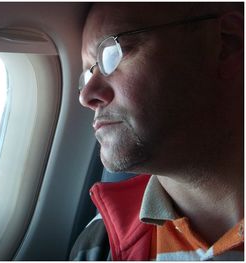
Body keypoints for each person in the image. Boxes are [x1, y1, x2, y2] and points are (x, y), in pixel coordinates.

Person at [70, 2, 244, 261]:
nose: (86, 96)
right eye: (86, 74)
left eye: (113, 54)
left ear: (226, 44)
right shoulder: (98, 242)